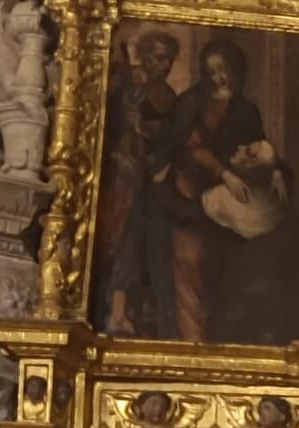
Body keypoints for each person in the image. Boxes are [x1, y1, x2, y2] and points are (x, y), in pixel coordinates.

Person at [151, 38, 268, 341]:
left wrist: (276, 173)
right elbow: (188, 146)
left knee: (228, 274)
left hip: (229, 207)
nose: (220, 77)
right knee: (190, 268)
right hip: (187, 196)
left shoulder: (246, 110)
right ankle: (192, 344)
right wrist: (224, 173)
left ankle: (223, 342)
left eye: (225, 70)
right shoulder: (190, 103)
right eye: (212, 71)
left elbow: (261, 152)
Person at [200, 140, 299, 344]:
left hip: (263, 294)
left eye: (249, 152)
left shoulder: (241, 197)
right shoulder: (269, 198)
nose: (239, 148)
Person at [93, 31, 179, 334]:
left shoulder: (166, 96)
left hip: (144, 176)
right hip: (119, 172)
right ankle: (109, 309)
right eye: (159, 58)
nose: (165, 65)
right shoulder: (121, 82)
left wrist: (146, 131)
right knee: (114, 237)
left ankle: (122, 311)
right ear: (142, 56)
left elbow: (171, 138)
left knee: (136, 242)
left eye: (169, 59)